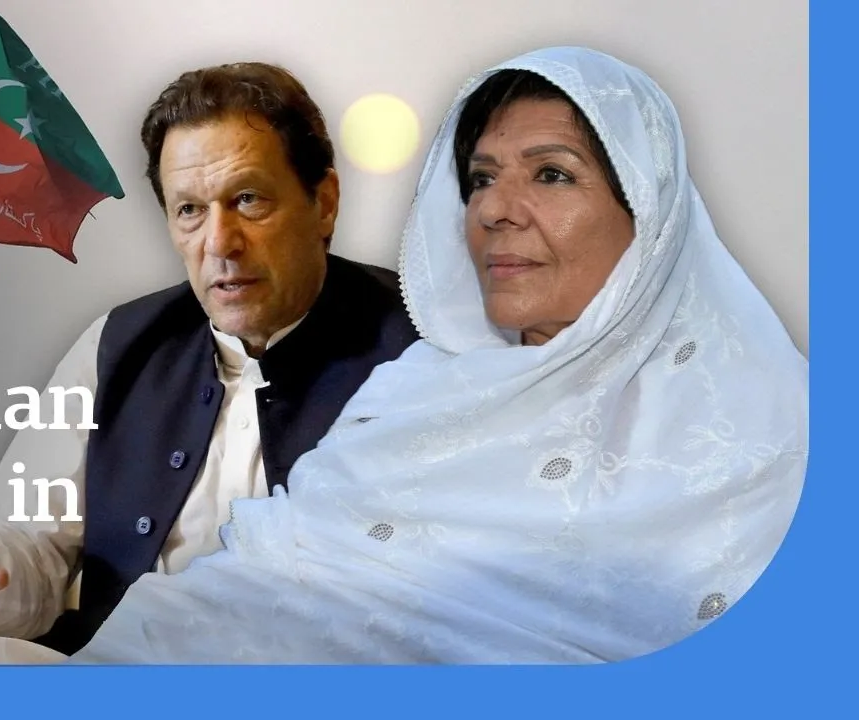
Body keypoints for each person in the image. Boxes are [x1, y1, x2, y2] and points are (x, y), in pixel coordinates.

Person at [42, 46, 806, 663]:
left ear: (651, 211)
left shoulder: (773, 434)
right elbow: (254, 586)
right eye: (481, 179)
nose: (496, 209)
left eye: (551, 173)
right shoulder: (419, 393)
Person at [0, 61, 421, 661]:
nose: (220, 242)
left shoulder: (427, 348)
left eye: (247, 199)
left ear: (323, 203)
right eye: (189, 210)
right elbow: (31, 556)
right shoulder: (115, 345)